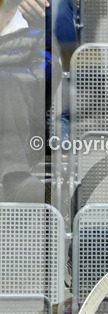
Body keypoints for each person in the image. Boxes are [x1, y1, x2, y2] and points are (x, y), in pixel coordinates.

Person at [0, 0, 46, 202]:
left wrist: (43, 26)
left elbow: (45, 90)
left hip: (18, 130)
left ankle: (15, 178)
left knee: (6, 81)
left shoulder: (34, 38)